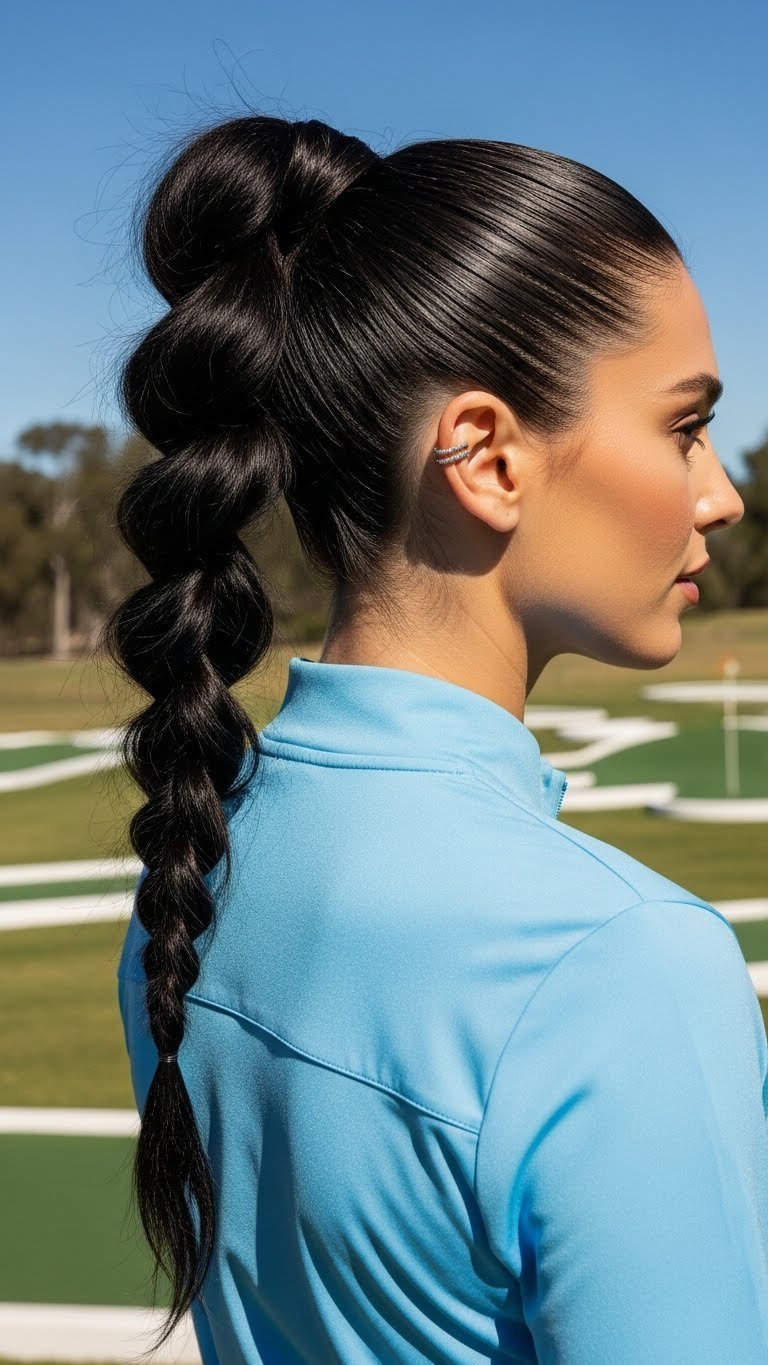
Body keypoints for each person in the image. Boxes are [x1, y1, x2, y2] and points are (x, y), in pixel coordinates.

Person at [110, 113, 767, 1363]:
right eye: (684, 426)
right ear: (484, 457)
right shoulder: (622, 967)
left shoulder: (184, 882)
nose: (720, 491)